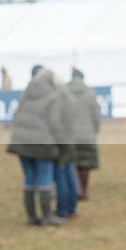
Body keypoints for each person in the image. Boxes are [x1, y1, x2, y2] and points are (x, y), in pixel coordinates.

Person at [6, 67, 65, 226]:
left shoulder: (25, 93)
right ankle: (47, 216)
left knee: (29, 179)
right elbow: (55, 123)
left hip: (21, 142)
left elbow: (15, 116)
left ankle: (31, 216)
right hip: (42, 144)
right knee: (45, 178)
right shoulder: (53, 97)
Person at [67, 68, 100, 200]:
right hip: (87, 135)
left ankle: (77, 189)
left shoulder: (65, 91)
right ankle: (84, 191)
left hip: (70, 136)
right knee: (86, 164)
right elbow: (96, 115)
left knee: (73, 163)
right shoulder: (90, 93)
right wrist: (95, 130)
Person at [52, 77, 78, 219]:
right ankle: (72, 207)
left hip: (61, 142)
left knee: (61, 176)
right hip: (70, 140)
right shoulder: (70, 97)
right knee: (69, 175)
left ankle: (62, 209)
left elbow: (55, 123)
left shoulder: (57, 100)